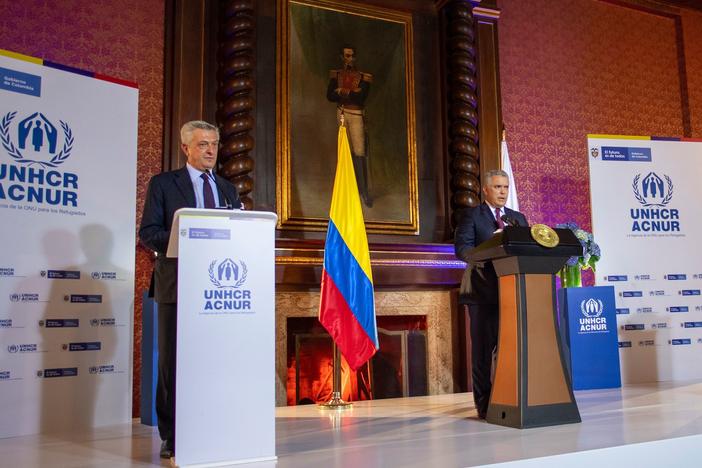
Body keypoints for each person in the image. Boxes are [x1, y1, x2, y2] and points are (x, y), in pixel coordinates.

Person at [139, 120, 242, 458]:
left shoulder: (228, 189)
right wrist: (185, 238)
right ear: (186, 148)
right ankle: (172, 435)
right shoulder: (164, 184)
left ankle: (214, 426)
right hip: (177, 284)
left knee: (215, 360)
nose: (210, 150)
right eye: (202, 145)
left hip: (219, 289)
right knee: (173, 363)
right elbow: (148, 232)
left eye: (214, 144)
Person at [454, 169, 528, 419]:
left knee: (511, 350)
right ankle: (484, 406)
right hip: (483, 293)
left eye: (505, 187)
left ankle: (510, 398)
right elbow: (463, 249)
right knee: (483, 353)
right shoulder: (471, 216)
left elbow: (526, 249)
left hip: (513, 293)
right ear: (485, 190)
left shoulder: (517, 218)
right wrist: (489, 250)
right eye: (497, 187)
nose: (502, 192)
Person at [327, 45, 373, 207]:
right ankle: (346, 191)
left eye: (352, 56)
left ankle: (363, 192)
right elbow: (330, 96)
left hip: (356, 114)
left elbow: (361, 98)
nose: (350, 59)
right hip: (341, 113)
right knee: (343, 151)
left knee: (359, 152)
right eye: (347, 56)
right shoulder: (336, 74)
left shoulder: (363, 77)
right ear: (342, 57)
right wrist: (352, 92)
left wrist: (342, 91)